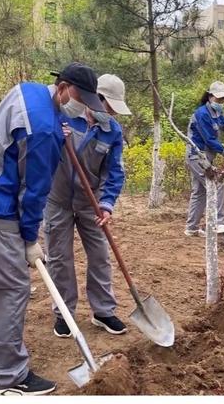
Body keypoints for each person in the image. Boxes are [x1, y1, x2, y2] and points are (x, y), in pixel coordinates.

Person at [0, 62, 105, 396]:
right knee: (10, 289)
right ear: (62, 87)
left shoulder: (29, 91)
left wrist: (60, 121)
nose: (84, 107)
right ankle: (10, 376)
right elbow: (33, 194)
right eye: (81, 98)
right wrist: (30, 239)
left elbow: (16, 130)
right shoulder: (45, 132)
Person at [44, 74, 131, 338]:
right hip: (56, 199)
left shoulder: (112, 132)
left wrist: (106, 205)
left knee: (100, 255)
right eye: (110, 106)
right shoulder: (62, 116)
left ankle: (103, 311)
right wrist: (58, 138)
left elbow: (114, 173)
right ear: (97, 99)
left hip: (90, 202)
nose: (113, 113)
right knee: (60, 258)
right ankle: (64, 314)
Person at [184, 81, 224, 237]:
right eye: (218, 100)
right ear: (210, 97)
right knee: (217, 183)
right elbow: (209, 139)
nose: (220, 103)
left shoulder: (217, 113)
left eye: (222, 100)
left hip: (206, 156)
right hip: (197, 156)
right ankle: (219, 222)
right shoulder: (202, 114)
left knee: (200, 191)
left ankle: (192, 228)